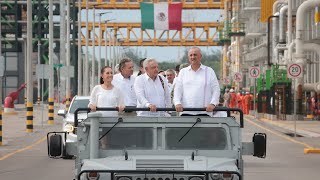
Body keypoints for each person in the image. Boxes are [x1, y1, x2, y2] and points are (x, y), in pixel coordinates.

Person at [174, 47, 221, 116]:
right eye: (191, 55)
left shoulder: (209, 71)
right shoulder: (183, 72)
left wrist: (213, 103)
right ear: (188, 57)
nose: (193, 57)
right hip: (186, 112)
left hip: (205, 112)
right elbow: (177, 90)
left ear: (200, 56)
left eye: (195, 55)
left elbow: (216, 89)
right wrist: (177, 103)